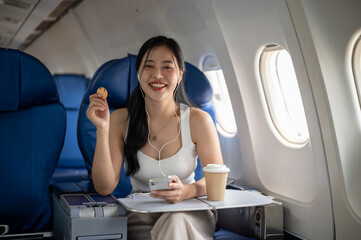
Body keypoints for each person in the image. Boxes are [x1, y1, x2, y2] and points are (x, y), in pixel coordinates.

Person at [86, 36, 224, 240]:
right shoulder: (121, 119)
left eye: (167, 67)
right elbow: (104, 187)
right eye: (149, 66)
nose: (157, 75)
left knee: (176, 222)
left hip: (189, 211)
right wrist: (102, 128)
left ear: (179, 75)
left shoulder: (198, 120)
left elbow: (216, 183)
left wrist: (186, 191)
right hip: (141, 214)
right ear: (139, 74)